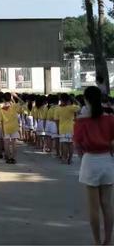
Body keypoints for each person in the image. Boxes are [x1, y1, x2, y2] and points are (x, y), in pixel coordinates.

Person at [74, 86, 114, 246]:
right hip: (106, 160)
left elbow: (77, 145)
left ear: (86, 100)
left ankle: (97, 242)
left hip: (90, 160)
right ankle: (108, 240)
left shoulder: (81, 121)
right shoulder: (110, 119)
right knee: (107, 204)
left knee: (93, 207)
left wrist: (83, 155)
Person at [55, 93, 80, 165]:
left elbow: (56, 120)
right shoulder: (71, 107)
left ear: (61, 100)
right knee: (71, 144)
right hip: (71, 128)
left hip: (62, 128)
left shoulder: (58, 109)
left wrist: (57, 129)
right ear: (68, 100)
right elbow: (79, 107)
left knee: (64, 144)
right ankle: (70, 159)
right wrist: (74, 100)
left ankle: (64, 158)